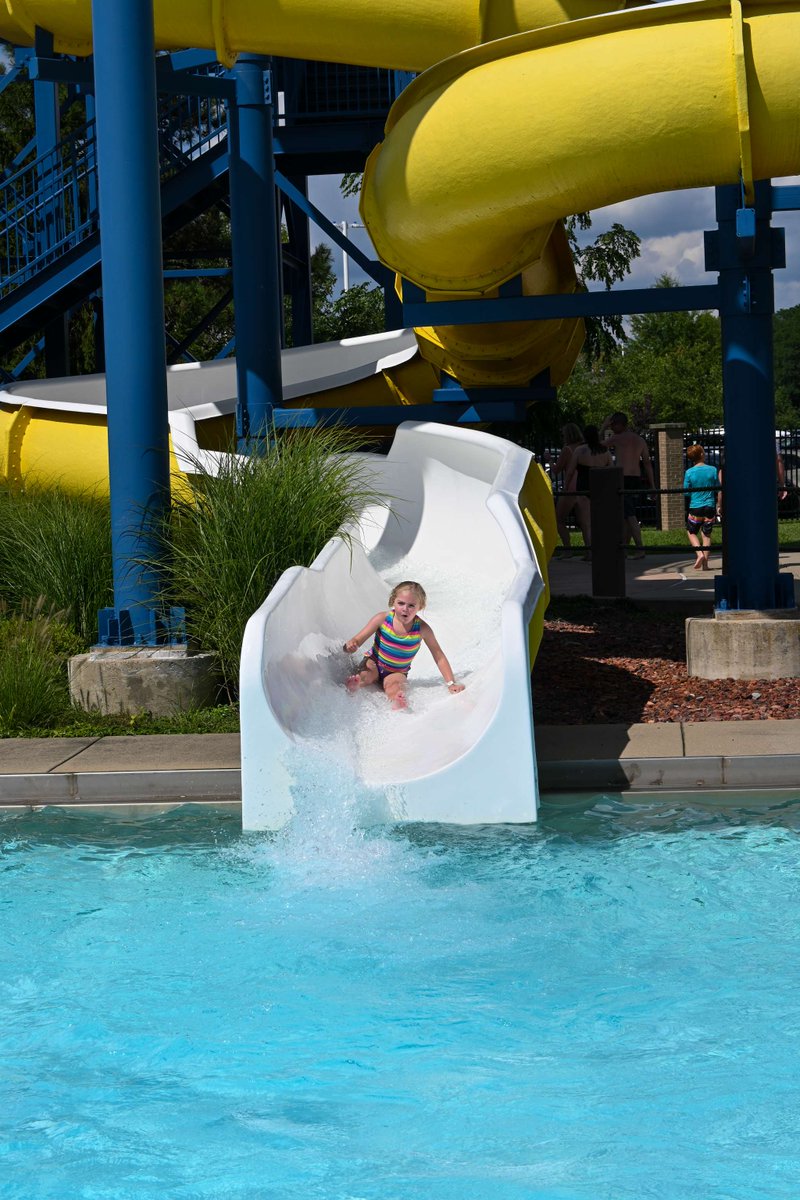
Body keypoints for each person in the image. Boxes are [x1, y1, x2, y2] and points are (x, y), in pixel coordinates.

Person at [343, 581, 465, 710]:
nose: (405, 609)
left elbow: (438, 656)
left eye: (411, 605)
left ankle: (397, 700)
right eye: (401, 603)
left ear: (420, 606)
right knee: (366, 675)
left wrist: (451, 683)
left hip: (397, 671)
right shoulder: (382, 619)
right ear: (393, 601)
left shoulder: (422, 629)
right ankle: (355, 683)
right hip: (374, 662)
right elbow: (357, 640)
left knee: (395, 686)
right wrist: (351, 645)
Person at [600, 411, 656, 558]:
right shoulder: (639, 440)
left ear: (619, 424)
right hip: (636, 478)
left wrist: (603, 427)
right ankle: (624, 548)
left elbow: (596, 447)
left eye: (613, 425)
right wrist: (652, 485)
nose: (611, 428)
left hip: (623, 478)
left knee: (630, 515)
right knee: (627, 514)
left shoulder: (617, 438)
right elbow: (647, 464)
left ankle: (640, 548)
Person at [572, 425, 613, 560]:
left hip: (583, 487)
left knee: (586, 523)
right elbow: (611, 470)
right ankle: (602, 550)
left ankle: (590, 551)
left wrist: (567, 487)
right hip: (601, 487)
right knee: (600, 521)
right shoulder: (604, 451)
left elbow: (571, 470)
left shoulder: (580, 450)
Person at [551, 422, 586, 556]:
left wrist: (549, 461)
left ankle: (568, 549)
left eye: (563, 434)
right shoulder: (584, 448)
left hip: (570, 488)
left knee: (558, 520)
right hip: (583, 487)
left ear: (568, 435)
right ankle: (589, 550)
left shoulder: (567, 450)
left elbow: (556, 469)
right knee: (584, 523)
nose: (562, 437)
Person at [683, 444, 720, 570]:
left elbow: (686, 492)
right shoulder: (713, 470)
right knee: (706, 535)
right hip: (710, 507)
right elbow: (717, 487)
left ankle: (699, 554)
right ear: (701, 454)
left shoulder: (689, 472)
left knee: (691, 531)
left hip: (695, 507)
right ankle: (705, 565)